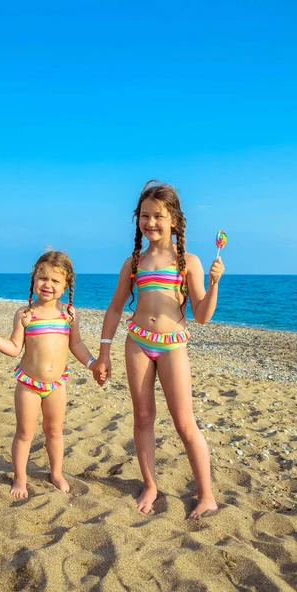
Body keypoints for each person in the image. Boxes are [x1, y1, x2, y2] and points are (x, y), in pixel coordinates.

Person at [93, 181, 224, 518]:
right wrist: (104, 351)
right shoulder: (133, 262)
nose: (150, 223)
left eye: (158, 216)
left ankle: (206, 495)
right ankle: (150, 484)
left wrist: (213, 284)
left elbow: (203, 315)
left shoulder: (188, 262)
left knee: (184, 422)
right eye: (144, 216)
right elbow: (114, 308)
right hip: (136, 341)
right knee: (143, 417)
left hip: (172, 346)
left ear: (174, 220)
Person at [0, 250, 104, 499]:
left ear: (66, 286)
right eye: (43, 278)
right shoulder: (25, 315)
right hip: (28, 384)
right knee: (25, 433)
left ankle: (56, 473)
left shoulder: (69, 315)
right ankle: (20, 478)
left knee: (54, 431)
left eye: (56, 280)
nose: (48, 284)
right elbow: (13, 348)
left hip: (57, 384)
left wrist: (92, 363)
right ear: (34, 279)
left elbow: (76, 345)